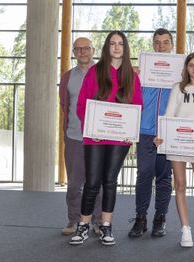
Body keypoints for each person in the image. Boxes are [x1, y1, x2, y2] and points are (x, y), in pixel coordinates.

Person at [70, 31, 143, 246]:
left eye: (120, 43)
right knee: (92, 182)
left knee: (110, 181)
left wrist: (129, 131)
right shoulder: (95, 72)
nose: (117, 47)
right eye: (113, 43)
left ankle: (106, 225)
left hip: (119, 140)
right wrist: (91, 128)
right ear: (106, 47)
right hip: (95, 137)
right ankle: (82, 225)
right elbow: (82, 104)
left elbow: (138, 106)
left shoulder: (132, 75)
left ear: (125, 47)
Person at [155, 52, 194, 249]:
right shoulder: (178, 88)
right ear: (186, 68)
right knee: (180, 186)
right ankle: (185, 230)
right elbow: (169, 115)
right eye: (191, 65)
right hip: (178, 143)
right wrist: (161, 135)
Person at [128, 28, 174, 238]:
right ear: (152, 44)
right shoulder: (143, 71)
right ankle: (140, 218)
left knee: (164, 178)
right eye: (157, 42)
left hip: (167, 132)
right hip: (146, 132)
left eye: (165, 42)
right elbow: (129, 99)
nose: (161, 46)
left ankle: (160, 218)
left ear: (172, 45)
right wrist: (133, 76)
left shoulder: (178, 72)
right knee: (144, 175)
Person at [59, 37, 102, 236]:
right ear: (74, 53)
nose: (82, 52)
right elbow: (64, 105)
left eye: (86, 48)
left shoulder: (105, 74)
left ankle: (98, 221)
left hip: (99, 138)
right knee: (74, 183)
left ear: (93, 50)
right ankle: (74, 220)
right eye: (78, 49)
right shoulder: (67, 77)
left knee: (97, 183)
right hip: (75, 136)